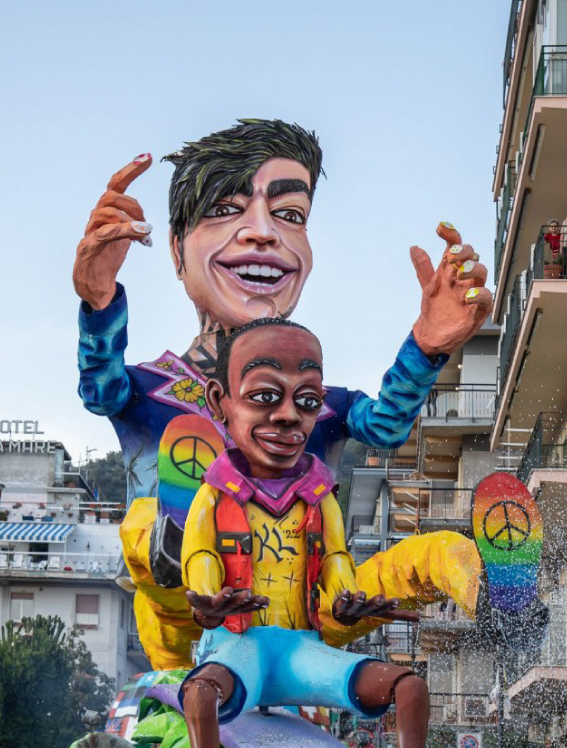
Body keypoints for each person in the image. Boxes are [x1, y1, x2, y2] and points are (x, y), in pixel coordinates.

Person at [72, 122, 493, 671]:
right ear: (176, 250)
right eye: (226, 210)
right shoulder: (153, 390)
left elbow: (386, 424)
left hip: (302, 623)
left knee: (428, 559)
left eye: (290, 215)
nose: (262, 234)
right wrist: (99, 302)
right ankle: (181, 565)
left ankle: (497, 590)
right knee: (149, 525)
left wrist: (426, 347)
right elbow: (101, 389)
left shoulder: (312, 399)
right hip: (188, 638)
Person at [167, 319, 453, 748]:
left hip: (299, 650)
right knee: (199, 696)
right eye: (265, 398)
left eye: (307, 401)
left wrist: (350, 600)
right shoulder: (215, 494)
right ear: (223, 404)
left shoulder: (319, 496)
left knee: (409, 687)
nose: (288, 418)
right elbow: (197, 555)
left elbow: (339, 563)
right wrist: (206, 598)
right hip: (238, 649)